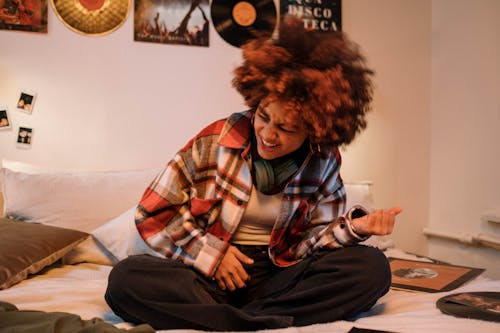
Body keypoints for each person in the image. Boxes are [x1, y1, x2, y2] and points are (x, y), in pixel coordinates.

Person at [105, 16, 402, 331]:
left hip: (279, 276)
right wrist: (210, 255)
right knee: (124, 280)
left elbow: (310, 245)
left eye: (286, 128)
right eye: (263, 116)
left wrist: (354, 228)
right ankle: (267, 321)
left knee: (373, 268)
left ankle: (238, 321)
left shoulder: (324, 160)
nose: (268, 135)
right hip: (207, 275)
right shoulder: (216, 139)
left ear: (314, 130)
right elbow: (154, 211)